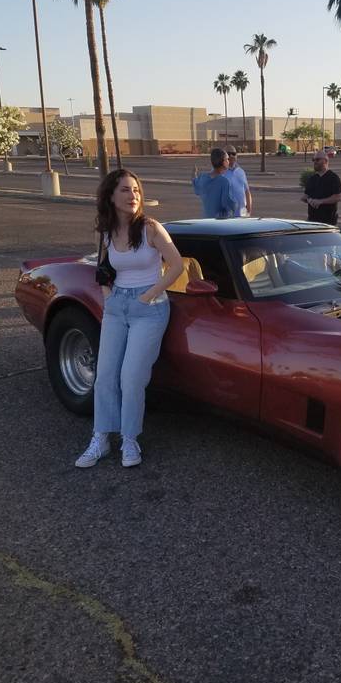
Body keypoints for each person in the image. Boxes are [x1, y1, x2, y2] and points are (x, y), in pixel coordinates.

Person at [75, 169, 184, 469]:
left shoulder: (151, 229)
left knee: (132, 377)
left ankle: (130, 439)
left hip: (149, 309)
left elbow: (176, 267)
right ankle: (100, 438)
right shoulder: (108, 231)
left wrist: (148, 296)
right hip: (116, 307)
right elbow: (103, 267)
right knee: (106, 375)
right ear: (110, 196)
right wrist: (108, 294)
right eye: (124, 190)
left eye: (136, 190)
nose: (133, 195)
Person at [192, 147, 237, 218]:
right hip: (219, 222)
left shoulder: (203, 178)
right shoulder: (224, 182)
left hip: (206, 220)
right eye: (227, 159)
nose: (229, 161)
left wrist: (194, 175)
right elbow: (227, 204)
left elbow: (196, 187)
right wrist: (235, 205)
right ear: (223, 162)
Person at [301, 150, 341, 225]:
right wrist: (309, 200)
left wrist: (321, 201)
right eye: (313, 160)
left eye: (317, 159)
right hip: (312, 221)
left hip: (328, 222)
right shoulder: (312, 179)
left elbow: (338, 197)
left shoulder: (333, 178)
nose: (315, 162)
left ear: (326, 161)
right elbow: (304, 197)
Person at [226, 146, 252, 217]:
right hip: (227, 215)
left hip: (242, 215)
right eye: (228, 154)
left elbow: (247, 191)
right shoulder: (219, 172)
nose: (231, 156)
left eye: (233, 154)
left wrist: (249, 211)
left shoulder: (241, 171)